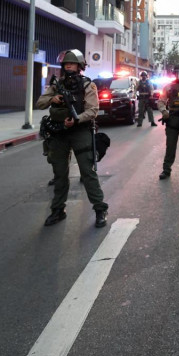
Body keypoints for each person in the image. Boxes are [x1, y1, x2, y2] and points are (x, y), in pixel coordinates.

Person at [35, 50, 108, 229]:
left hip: (80, 131)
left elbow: (93, 110)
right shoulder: (56, 85)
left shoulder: (87, 85)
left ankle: (100, 209)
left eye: (72, 63)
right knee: (59, 174)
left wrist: (76, 119)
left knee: (87, 172)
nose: (68, 66)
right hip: (59, 132)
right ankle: (58, 210)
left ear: (80, 66)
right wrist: (53, 98)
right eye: (66, 63)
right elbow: (39, 103)